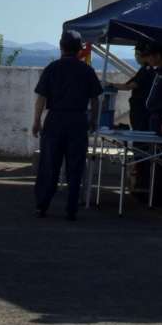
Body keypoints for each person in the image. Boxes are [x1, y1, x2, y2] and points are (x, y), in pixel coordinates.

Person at [32, 31, 102, 219]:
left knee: (49, 165)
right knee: (75, 166)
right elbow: (95, 99)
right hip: (78, 120)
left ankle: (42, 205)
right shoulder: (87, 70)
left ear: (61, 47)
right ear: (80, 49)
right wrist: (93, 120)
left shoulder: (52, 68)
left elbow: (41, 98)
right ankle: (71, 209)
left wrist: (37, 121)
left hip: (55, 120)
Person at [125, 40, 162, 203]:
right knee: (152, 156)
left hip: (161, 118)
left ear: (158, 56)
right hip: (153, 117)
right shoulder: (158, 71)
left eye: (149, 56)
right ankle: (152, 191)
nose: (147, 59)